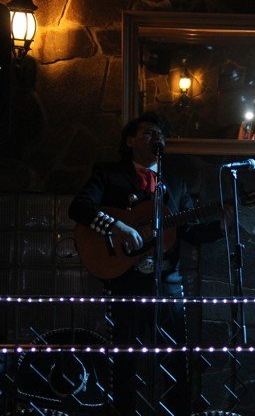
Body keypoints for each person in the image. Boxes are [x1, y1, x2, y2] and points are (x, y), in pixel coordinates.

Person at [68, 111, 225, 415]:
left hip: (168, 282)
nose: (157, 137)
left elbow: (189, 232)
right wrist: (117, 226)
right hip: (125, 280)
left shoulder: (175, 183)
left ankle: (177, 411)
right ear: (130, 141)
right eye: (149, 132)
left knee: (176, 356)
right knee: (124, 358)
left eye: (160, 133)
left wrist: (222, 226)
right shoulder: (108, 174)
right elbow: (79, 207)